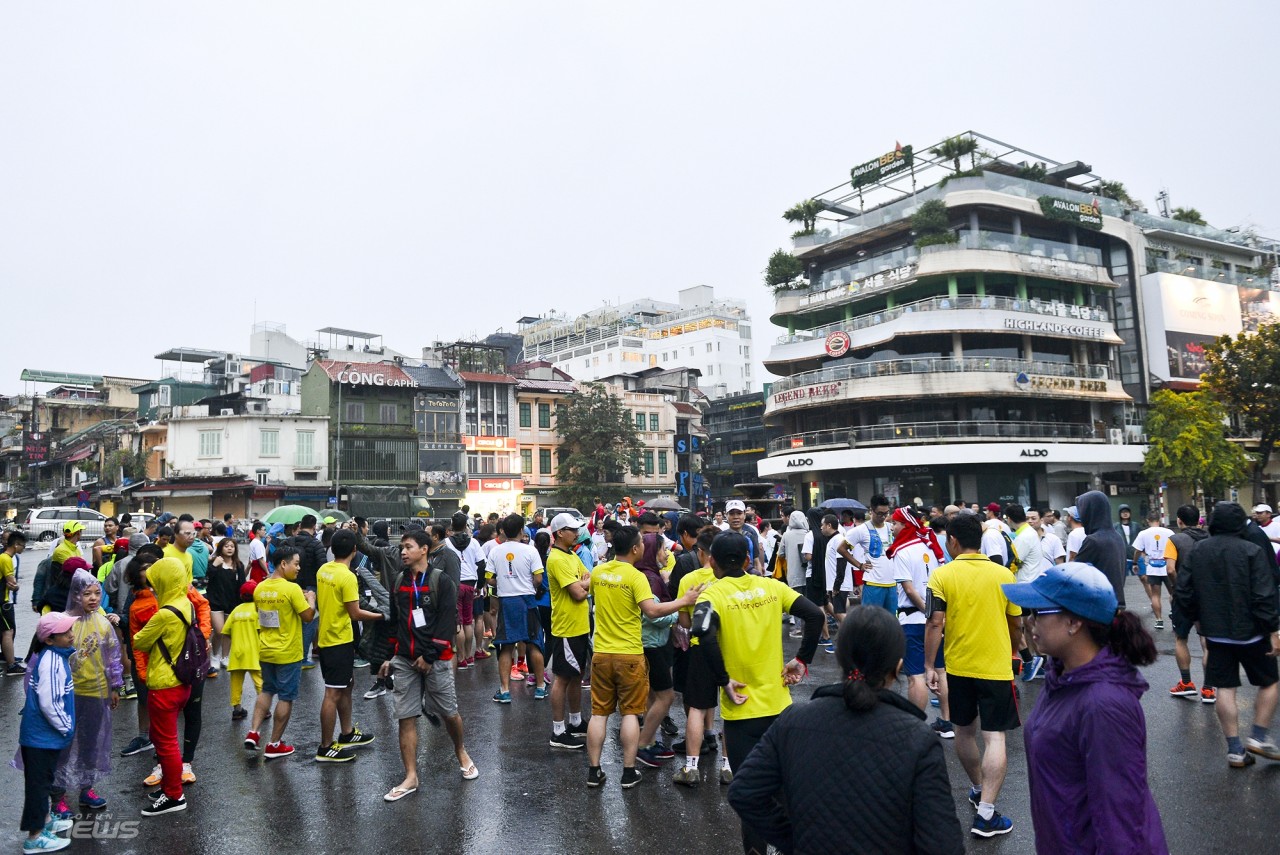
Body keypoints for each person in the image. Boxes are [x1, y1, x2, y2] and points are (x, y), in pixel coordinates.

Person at [728, 606, 964, 855]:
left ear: (840, 658)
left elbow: (745, 792)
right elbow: (943, 844)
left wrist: (794, 839)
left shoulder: (793, 721)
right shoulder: (918, 739)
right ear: (898, 667)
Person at [1003, 563, 1167, 854]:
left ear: (1074, 623)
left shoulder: (1104, 704)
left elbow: (1121, 818)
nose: (1029, 621)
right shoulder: (1061, 676)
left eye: (1038, 611)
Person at [693, 531, 823, 853]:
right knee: (783, 789)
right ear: (749, 560)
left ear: (712, 562)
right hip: (780, 710)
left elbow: (701, 631)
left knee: (751, 796)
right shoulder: (773, 587)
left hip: (742, 715)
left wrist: (723, 679)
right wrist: (802, 660)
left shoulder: (712, 595)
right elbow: (816, 615)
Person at [924, 512, 1021, 838]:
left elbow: (935, 622)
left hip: (959, 666)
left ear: (952, 540)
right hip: (995, 667)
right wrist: (1016, 650)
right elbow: (1016, 621)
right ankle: (986, 813)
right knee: (995, 737)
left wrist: (928, 665)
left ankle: (979, 788)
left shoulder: (941, 575)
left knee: (964, 733)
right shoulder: (1003, 574)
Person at [586, 525, 704, 790]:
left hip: (601, 653)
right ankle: (628, 773)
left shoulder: (599, 572)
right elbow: (652, 611)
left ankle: (594, 772)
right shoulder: (635, 577)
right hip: (629, 654)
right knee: (629, 713)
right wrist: (684, 600)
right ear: (635, 548)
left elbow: (590, 591)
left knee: (599, 714)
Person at [1174, 501, 1280, 768]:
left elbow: (1184, 591)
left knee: (1225, 688)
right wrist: (1273, 629)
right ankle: (1258, 735)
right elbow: (1264, 595)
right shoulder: (1252, 550)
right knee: (1269, 682)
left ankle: (1234, 749)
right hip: (1252, 632)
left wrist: (1195, 619)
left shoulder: (1199, 551)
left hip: (1216, 633)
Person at [380, 529, 476, 801]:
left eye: (408, 547)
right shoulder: (399, 581)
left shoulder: (441, 581)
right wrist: (389, 656)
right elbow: (395, 621)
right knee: (405, 717)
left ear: (424, 549)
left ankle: (460, 750)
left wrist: (430, 655)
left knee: (449, 713)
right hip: (405, 659)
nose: (402, 552)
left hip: (437, 660)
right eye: (401, 548)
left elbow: (447, 621)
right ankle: (411, 776)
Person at [51, 569, 122, 814]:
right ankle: (58, 796)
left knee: (91, 742)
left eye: (96, 593)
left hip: (96, 692)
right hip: (68, 694)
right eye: (86, 593)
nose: (93, 598)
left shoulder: (103, 623)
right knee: (64, 744)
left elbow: (113, 658)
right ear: (75, 595)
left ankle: (86, 788)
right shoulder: (62, 624)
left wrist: (115, 686)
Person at [130, 557, 194, 816]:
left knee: (166, 743)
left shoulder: (165, 613)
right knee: (163, 738)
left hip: (164, 685)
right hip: (182, 682)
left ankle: (174, 796)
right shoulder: (186, 603)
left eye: (155, 583)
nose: (153, 588)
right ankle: (170, 785)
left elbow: (139, 641)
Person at [314, 529, 382, 763]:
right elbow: (355, 613)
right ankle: (325, 747)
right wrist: (380, 616)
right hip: (338, 640)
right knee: (332, 692)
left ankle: (347, 733)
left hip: (328, 637)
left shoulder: (324, 569)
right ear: (355, 550)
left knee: (346, 685)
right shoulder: (347, 576)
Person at [244, 545, 315, 760]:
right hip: (288, 652)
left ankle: (254, 732)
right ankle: (274, 743)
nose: (298, 568)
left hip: (266, 649)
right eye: (295, 563)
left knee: (266, 690)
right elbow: (308, 617)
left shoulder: (259, 588)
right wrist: (311, 598)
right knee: (286, 696)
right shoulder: (292, 589)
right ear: (283, 564)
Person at [19, 612, 78, 853]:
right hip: (41, 737)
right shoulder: (52, 661)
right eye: (65, 633)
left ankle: (44, 823)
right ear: (50, 640)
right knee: (38, 786)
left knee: (42, 781)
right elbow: (49, 702)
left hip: (43, 737)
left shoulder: (55, 656)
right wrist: (67, 727)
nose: (71, 635)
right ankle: (34, 838)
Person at [887, 506, 944, 711]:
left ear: (905, 525)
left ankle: (917, 724)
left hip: (913, 621)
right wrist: (935, 616)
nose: (891, 527)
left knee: (916, 676)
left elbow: (909, 590)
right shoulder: (930, 545)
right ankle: (947, 723)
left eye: (894, 523)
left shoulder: (902, 551)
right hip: (937, 621)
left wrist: (927, 612)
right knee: (941, 671)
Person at [488, 514, 546, 704]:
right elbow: (538, 578)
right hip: (527, 600)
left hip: (506, 601)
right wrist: (528, 584)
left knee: (506, 646)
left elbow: (489, 577)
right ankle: (540, 687)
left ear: (503, 530)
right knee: (534, 643)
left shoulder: (496, 551)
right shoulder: (531, 551)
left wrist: (503, 583)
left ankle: (504, 691)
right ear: (522, 530)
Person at [545, 513, 591, 750]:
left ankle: (575, 722)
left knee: (576, 675)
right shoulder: (557, 559)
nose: (577, 532)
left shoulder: (571, 554)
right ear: (560, 533)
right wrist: (582, 584)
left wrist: (583, 583)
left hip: (580, 625)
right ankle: (558, 730)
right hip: (566, 627)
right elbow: (578, 593)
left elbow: (588, 578)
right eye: (572, 529)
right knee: (562, 678)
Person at [636, 533, 680, 768]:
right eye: (663, 549)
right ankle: (643, 744)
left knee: (653, 695)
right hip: (652, 643)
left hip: (652, 643)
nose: (667, 554)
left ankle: (650, 742)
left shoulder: (651, 575)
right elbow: (654, 615)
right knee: (666, 696)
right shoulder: (650, 579)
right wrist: (677, 612)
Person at [1166, 504, 1214, 703]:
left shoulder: (1174, 540)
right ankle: (1209, 689)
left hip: (1183, 597)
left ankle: (1186, 683)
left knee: (1181, 638)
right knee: (1207, 641)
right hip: (1207, 597)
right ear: (1199, 520)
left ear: (1179, 520)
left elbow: (1170, 569)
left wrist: (1179, 587)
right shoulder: (1211, 539)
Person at [285, 515, 327, 668]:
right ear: (314, 526)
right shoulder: (316, 544)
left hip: (289, 585)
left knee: (290, 620)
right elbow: (323, 567)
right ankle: (301, 658)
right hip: (310, 589)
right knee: (309, 622)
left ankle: (289, 653)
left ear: (300, 525)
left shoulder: (289, 541)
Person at [1074, 491, 1128, 609]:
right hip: (1115, 603)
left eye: (1082, 510)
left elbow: (1074, 574)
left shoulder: (1093, 541)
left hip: (1098, 607)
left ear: (1090, 512)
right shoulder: (1116, 536)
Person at [223, 581, 262, 721]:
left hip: (237, 653)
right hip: (254, 652)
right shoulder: (257, 609)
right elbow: (261, 630)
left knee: (236, 682)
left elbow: (226, 631)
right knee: (259, 681)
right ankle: (265, 709)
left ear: (241, 595)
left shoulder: (236, 610)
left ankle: (237, 709)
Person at [205, 537, 245, 671]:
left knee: (228, 632)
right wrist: (215, 564)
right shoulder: (214, 562)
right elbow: (207, 577)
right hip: (215, 601)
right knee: (219, 631)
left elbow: (242, 585)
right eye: (226, 546)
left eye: (232, 546)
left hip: (232, 602)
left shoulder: (238, 565)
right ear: (221, 548)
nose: (229, 548)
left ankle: (225, 657)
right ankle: (214, 655)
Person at [1132, 510, 1175, 630]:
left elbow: (1137, 551)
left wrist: (1135, 562)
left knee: (1155, 595)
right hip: (1167, 566)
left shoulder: (1143, 534)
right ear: (1159, 520)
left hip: (1152, 567)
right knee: (1173, 593)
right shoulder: (1169, 532)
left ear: (1148, 520)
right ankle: (1174, 613)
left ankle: (1159, 620)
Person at [2, 530, 27, 675]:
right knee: (8, 632)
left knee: (7, 631)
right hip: (4, 602)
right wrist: (16, 586)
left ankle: (9, 659)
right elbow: (12, 583)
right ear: (16, 545)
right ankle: (11, 665)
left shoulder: (8, 557)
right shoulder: (6, 559)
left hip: (6, 601)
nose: (23, 548)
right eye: (23, 546)